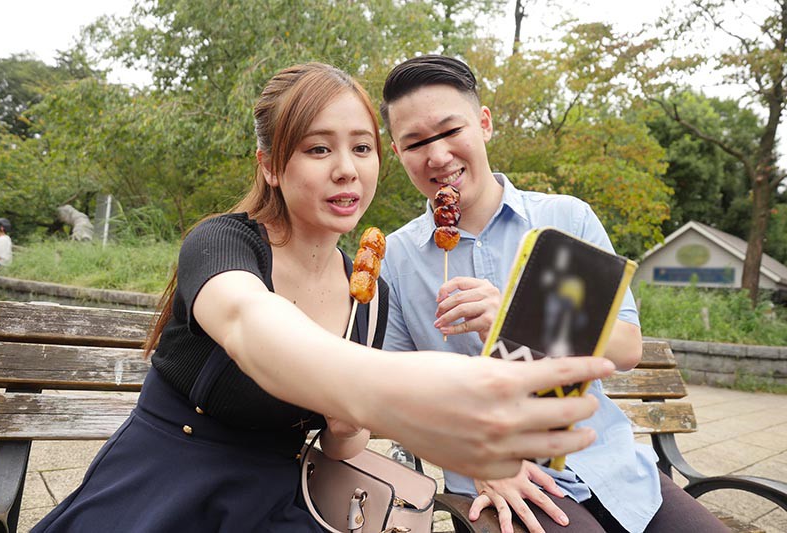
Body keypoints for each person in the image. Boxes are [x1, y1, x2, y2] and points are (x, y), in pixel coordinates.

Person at [32, 62, 617, 533]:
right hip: (166, 489)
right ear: (270, 166)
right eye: (318, 149)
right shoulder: (223, 243)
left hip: (284, 499)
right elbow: (248, 323)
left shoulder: (371, 292)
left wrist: (346, 421)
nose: (346, 171)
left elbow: (343, 443)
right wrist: (386, 394)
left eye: (362, 149)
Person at [379, 55, 729, 533]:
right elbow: (396, 394)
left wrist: (518, 316)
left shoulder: (564, 220)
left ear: (484, 124)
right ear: (397, 152)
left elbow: (626, 349)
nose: (437, 156)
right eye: (415, 142)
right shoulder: (397, 259)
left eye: (450, 130)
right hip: (501, 480)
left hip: (610, 463)